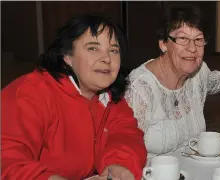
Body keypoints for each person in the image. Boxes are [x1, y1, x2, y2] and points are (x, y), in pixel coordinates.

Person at [1, 14, 147, 180]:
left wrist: (120, 165)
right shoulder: (30, 92)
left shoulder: (112, 99)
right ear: (67, 57)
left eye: (114, 50)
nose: (107, 58)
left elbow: (126, 136)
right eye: (93, 48)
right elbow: (7, 157)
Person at [124, 4, 220, 156]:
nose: (192, 48)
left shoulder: (200, 73)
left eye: (199, 39)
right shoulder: (140, 88)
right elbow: (126, 151)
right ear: (163, 44)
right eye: (183, 38)